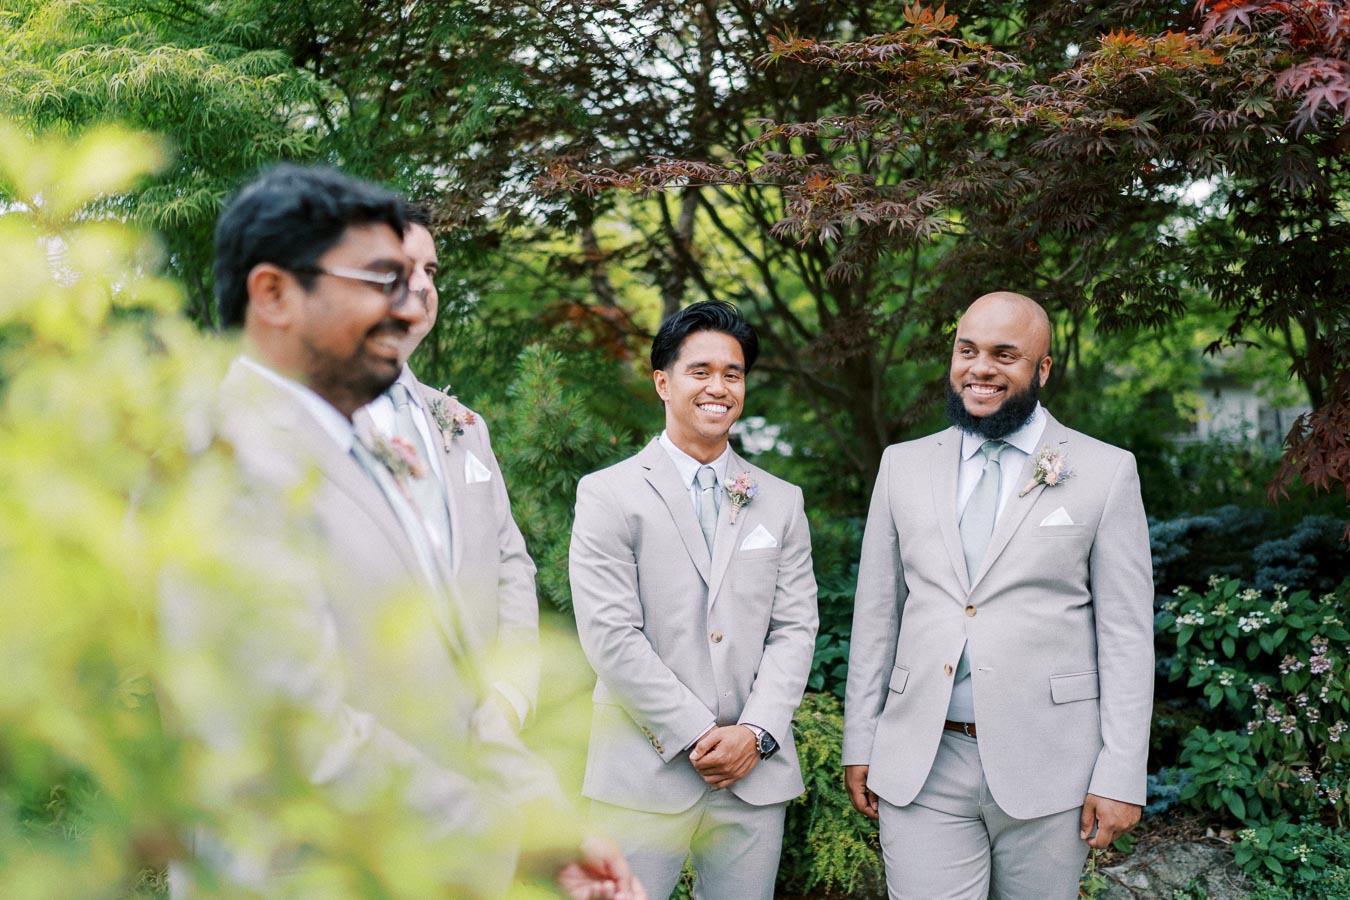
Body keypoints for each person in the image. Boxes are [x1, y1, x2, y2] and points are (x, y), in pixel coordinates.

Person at [170, 163, 641, 898]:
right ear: (274, 295)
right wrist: (507, 837)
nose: (406, 304)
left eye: (414, 278)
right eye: (377, 280)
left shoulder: (358, 448)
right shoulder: (222, 457)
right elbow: (300, 739)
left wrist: (545, 823)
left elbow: (456, 682)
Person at [842, 291, 1154, 899]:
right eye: (968, 350)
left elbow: (1126, 634)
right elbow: (877, 614)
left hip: (1051, 764)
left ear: (1041, 370)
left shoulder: (1105, 470)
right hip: (922, 761)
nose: (980, 368)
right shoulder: (901, 465)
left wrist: (1120, 773)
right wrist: (862, 738)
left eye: (1004, 355)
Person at [569, 299, 819, 899]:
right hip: (642, 768)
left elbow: (795, 628)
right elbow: (611, 635)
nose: (718, 387)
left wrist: (755, 733)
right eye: (699, 371)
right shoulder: (608, 495)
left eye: (733, 374)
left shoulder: (780, 501)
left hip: (754, 774)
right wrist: (697, 733)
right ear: (663, 382)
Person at [359, 203, 539, 728]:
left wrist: (511, 695)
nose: (423, 285)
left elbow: (511, 563)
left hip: (482, 735)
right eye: (400, 269)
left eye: (431, 272)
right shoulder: (312, 417)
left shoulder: (465, 426)